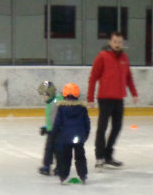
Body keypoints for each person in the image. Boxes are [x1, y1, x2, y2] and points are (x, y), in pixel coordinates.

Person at [87, 31, 139, 168]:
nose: (117, 44)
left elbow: (128, 77)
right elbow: (93, 78)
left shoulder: (124, 58)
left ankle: (108, 155)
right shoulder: (102, 56)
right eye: (115, 42)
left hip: (119, 99)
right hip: (105, 99)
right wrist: (90, 98)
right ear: (110, 42)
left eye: (120, 42)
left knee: (117, 127)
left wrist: (134, 93)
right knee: (102, 128)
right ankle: (99, 157)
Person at [51, 83, 90, 184]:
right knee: (80, 157)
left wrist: (54, 135)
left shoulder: (61, 108)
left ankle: (63, 176)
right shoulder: (82, 108)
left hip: (65, 138)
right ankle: (83, 175)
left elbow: (57, 123)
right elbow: (87, 122)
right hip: (79, 138)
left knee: (66, 158)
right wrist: (85, 135)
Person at [37, 80, 63, 176]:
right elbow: (51, 119)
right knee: (48, 149)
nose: (43, 97)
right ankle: (46, 166)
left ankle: (60, 167)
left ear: (50, 93)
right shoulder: (49, 103)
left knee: (59, 150)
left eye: (44, 95)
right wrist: (46, 128)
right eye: (42, 95)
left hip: (59, 131)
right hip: (51, 131)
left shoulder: (57, 101)